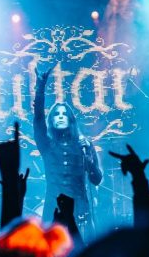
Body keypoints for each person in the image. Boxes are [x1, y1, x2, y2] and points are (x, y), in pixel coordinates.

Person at [33, 67, 103, 241]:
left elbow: (97, 179)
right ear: (51, 120)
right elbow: (38, 119)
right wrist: (40, 88)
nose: (60, 116)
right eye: (56, 114)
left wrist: (90, 163)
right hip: (53, 208)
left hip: (80, 208)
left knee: (80, 251)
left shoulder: (84, 145)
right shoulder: (46, 145)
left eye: (64, 114)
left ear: (71, 119)